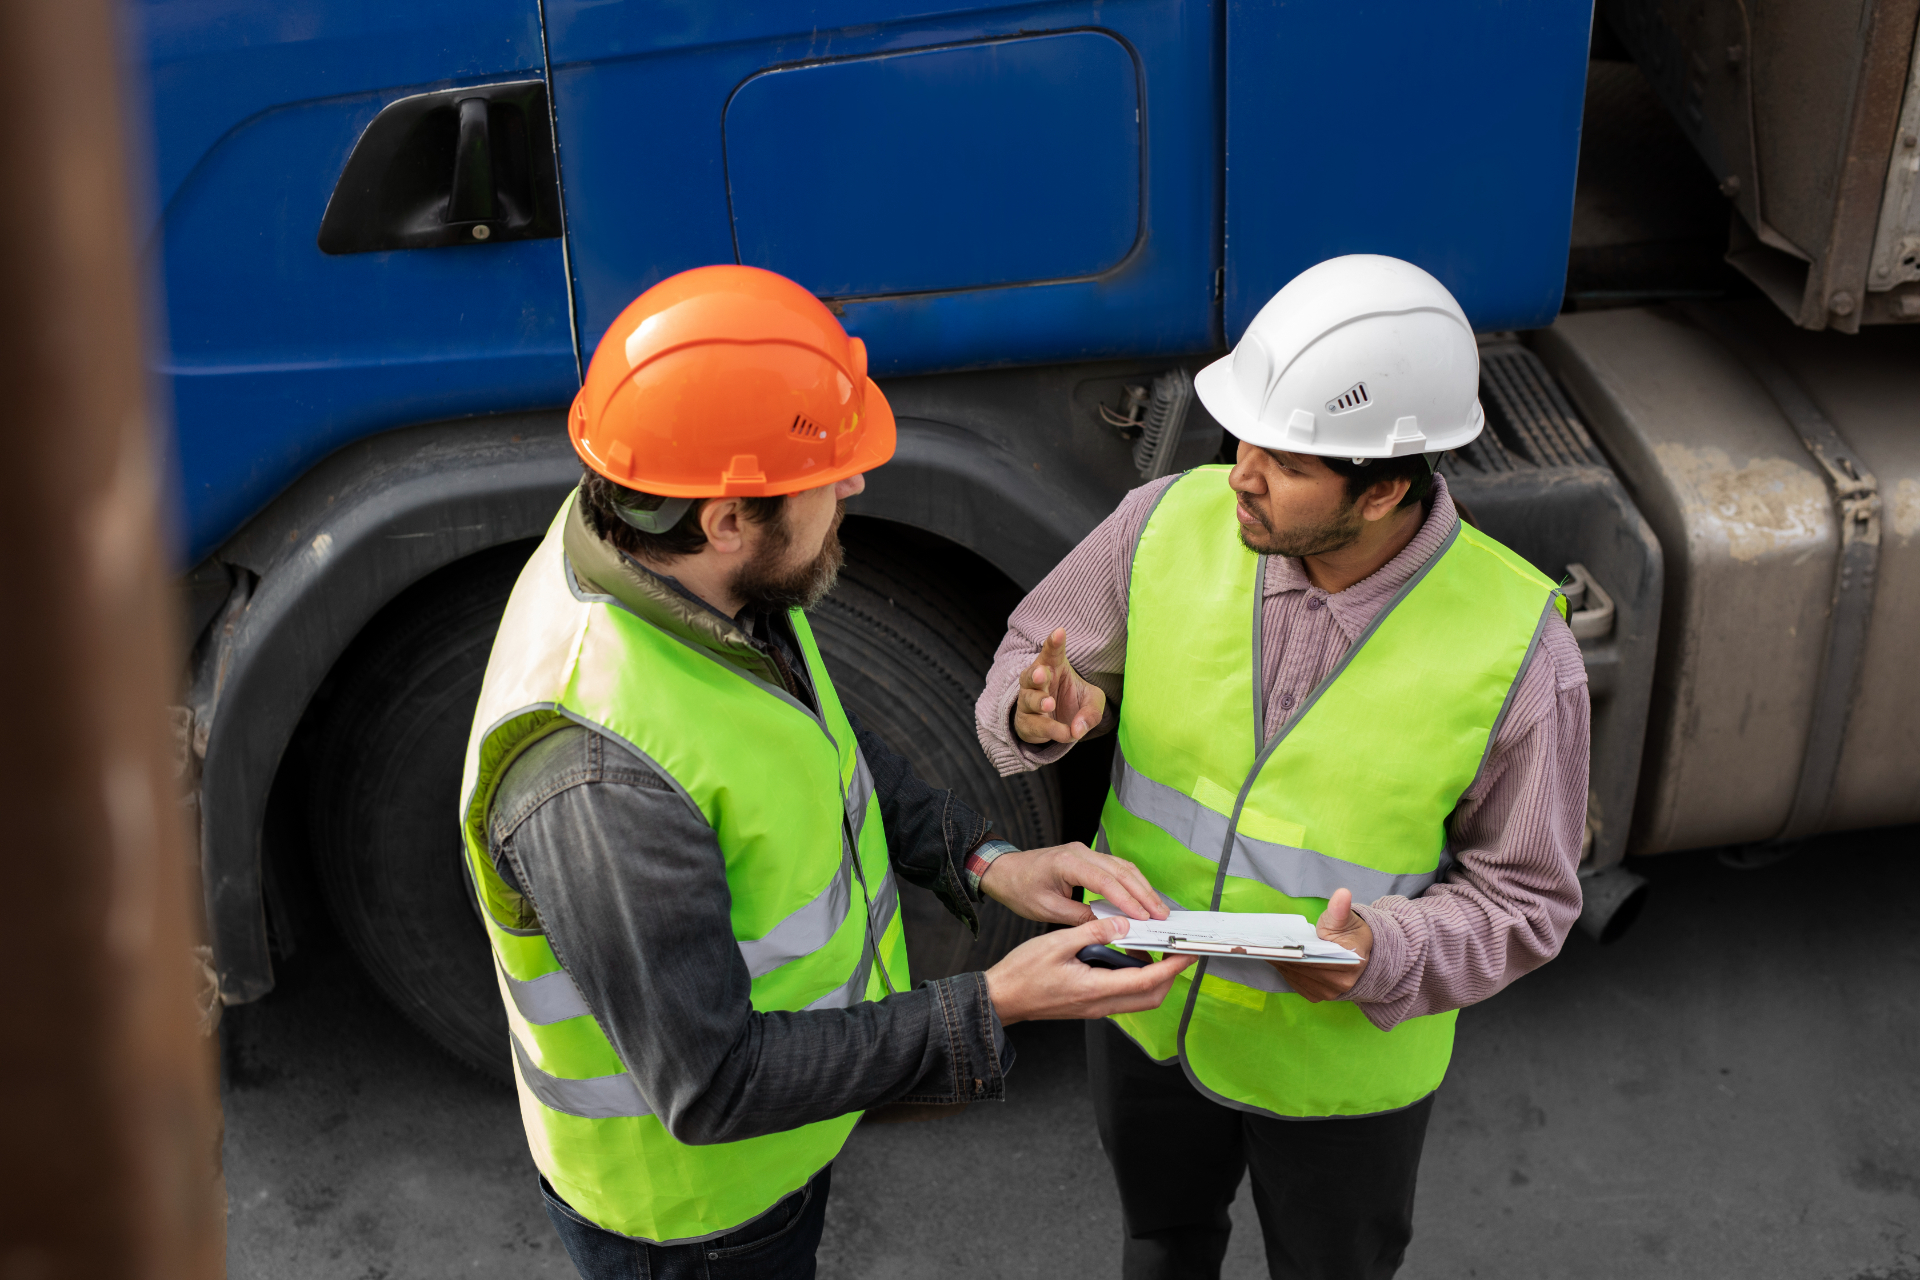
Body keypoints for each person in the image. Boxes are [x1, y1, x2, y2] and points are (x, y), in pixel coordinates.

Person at [457, 265, 1193, 1280]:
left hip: (784, 1147)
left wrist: (983, 859)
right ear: (725, 518)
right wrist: (996, 1001)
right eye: (826, 473)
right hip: (697, 1221)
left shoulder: (695, 575)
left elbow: (820, 749)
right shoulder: (596, 780)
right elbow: (713, 1085)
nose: (852, 484)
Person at [974, 255, 1589, 1280]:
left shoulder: (1520, 648)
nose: (1242, 476)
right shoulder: (1168, 520)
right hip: (1145, 1014)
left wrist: (1379, 950)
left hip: (1336, 1076)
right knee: (1161, 1246)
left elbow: (1527, 900)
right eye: (1244, 439)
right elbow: (1026, 657)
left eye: (1288, 463)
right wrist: (1040, 716)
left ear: (1386, 487)